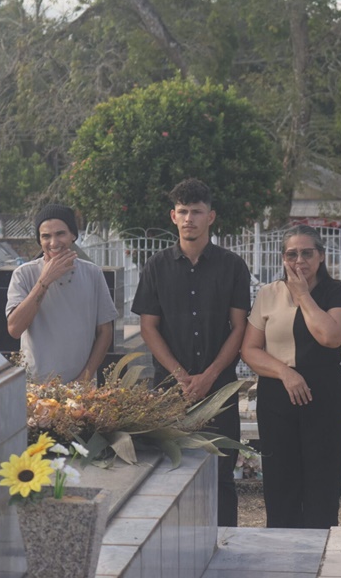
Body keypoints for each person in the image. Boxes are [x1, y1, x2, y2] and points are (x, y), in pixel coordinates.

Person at [131, 178, 250, 527]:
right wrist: (182, 377)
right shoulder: (156, 266)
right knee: (169, 475)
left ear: (210, 217)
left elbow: (239, 327)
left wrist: (209, 376)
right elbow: (148, 327)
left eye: (196, 212)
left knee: (222, 475)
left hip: (220, 390)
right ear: (173, 216)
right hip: (169, 391)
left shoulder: (233, 266)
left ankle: (225, 542)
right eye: (182, 211)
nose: (189, 219)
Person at [240, 225, 341, 529]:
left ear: (321, 256)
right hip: (277, 397)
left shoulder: (337, 292)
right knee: (280, 483)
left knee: (323, 482)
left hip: (323, 396)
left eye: (307, 253)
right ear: (283, 258)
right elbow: (249, 349)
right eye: (292, 254)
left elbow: (330, 336)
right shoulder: (269, 294)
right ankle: (282, 550)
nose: (299, 260)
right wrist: (285, 373)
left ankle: (318, 547)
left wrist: (303, 294)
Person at [6, 203, 118, 383]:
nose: (53, 243)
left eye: (60, 234)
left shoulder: (92, 273)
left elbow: (105, 331)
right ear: (39, 240)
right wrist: (45, 280)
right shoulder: (24, 274)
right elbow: (14, 329)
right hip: (36, 387)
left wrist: (85, 377)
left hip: (82, 387)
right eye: (46, 236)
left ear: (73, 235)